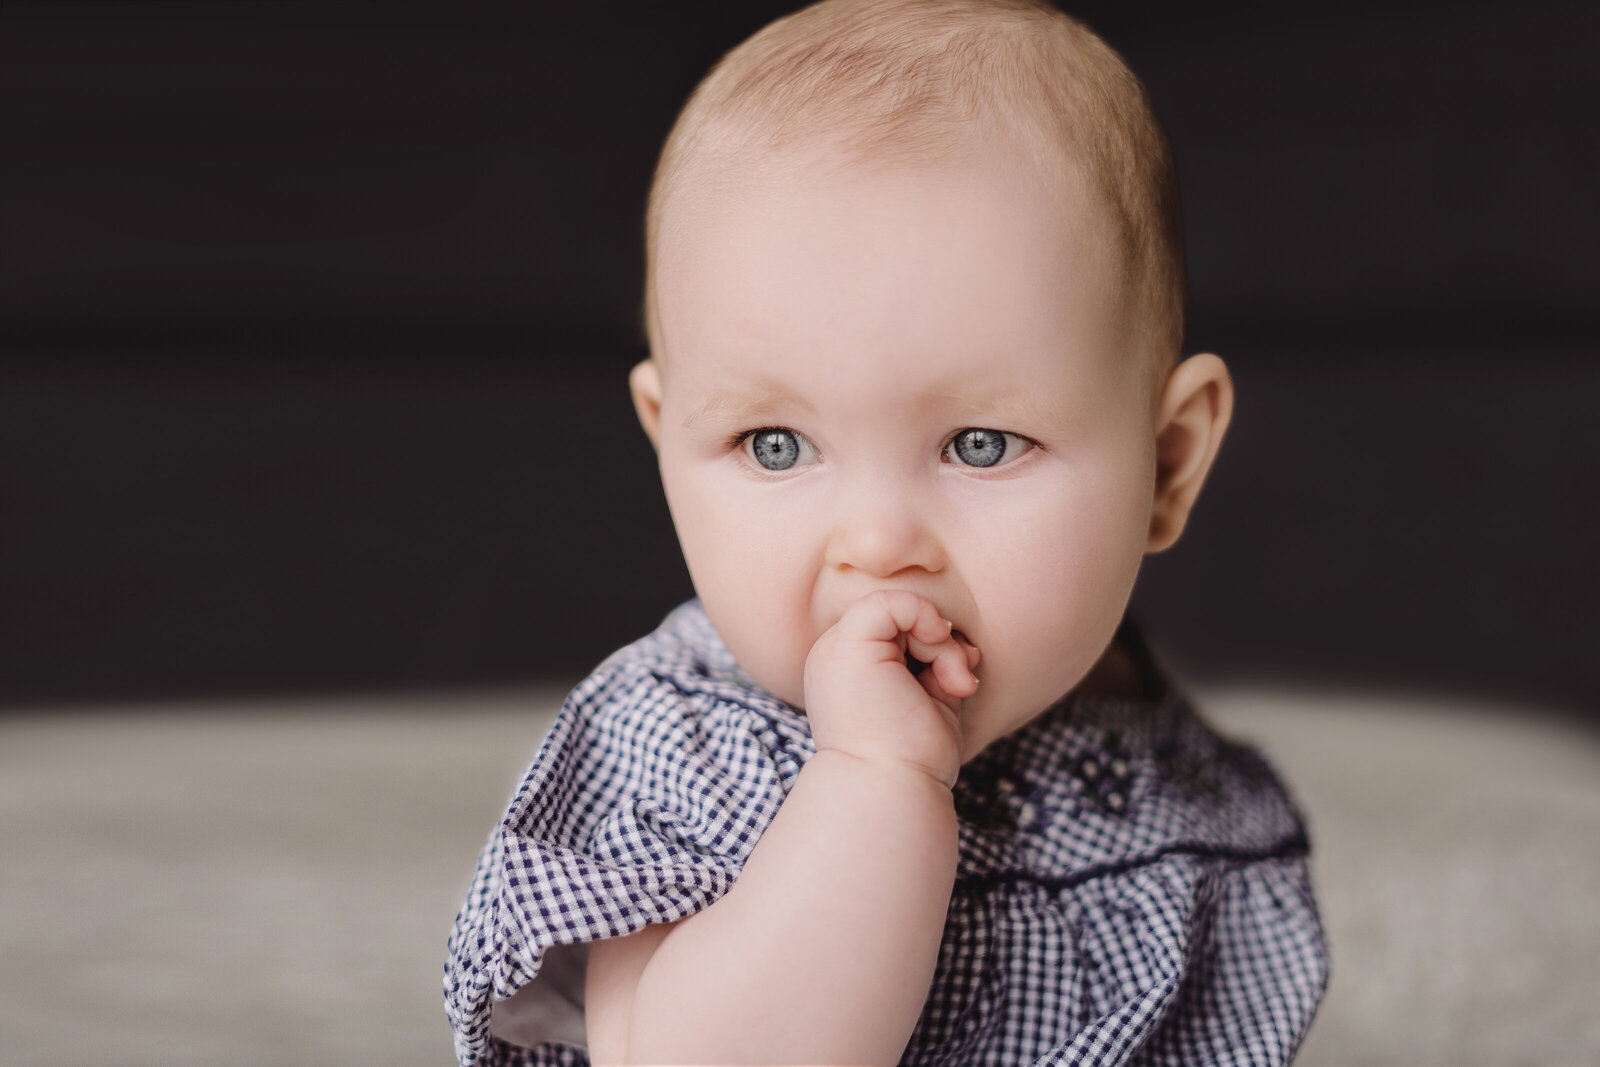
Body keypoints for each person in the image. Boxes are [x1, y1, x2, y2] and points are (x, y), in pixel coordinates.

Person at [445, 1, 1327, 1063]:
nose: (875, 541)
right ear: (666, 440)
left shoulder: (1162, 761)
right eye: (775, 444)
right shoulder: (684, 752)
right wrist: (876, 778)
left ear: (1167, 463)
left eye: (982, 444)